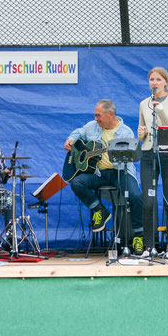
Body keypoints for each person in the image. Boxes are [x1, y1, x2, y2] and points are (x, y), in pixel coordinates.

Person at [64, 99, 144, 242]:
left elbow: (130, 157)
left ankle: (138, 236)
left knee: (136, 196)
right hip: (98, 173)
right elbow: (78, 132)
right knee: (76, 183)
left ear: (110, 114)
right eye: (95, 115)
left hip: (119, 171)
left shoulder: (125, 132)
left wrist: (116, 154)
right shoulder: (92, 126)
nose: (96, 119)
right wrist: (71, 139)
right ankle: (100, 210)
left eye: (98, 115)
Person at [137, 67, 168, 258]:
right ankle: (149, 247)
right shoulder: (143, 103)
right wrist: (142, 134)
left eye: (158, 79)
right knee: (148, 202)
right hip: (149, 154)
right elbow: (142, 131)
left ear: (165, 82)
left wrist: (161, 110)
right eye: (151, 79)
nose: (154, 83)